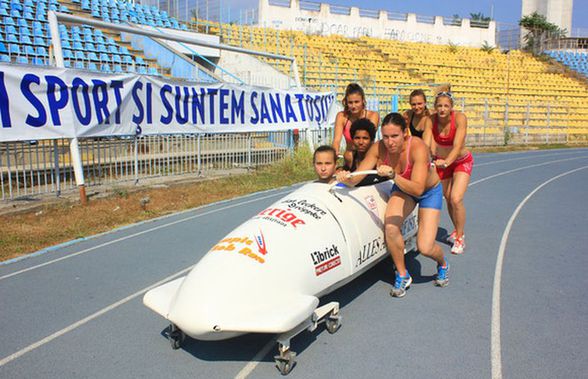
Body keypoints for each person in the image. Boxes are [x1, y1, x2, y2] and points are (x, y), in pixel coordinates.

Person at [336, 113, 449, 298]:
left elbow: (419, 189)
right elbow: (357, 177)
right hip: (404, 189)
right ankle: (403, 274)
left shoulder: (418, 147)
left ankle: (443, 263)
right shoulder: (378, 147)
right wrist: (344, 177)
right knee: (390, 227)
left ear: (405, 133)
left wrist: (393, 176)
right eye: (385, 136)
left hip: (427, 192)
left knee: (425, 247)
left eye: (394, 136)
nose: (389, 142)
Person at [427, 89, 473, 255]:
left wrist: (447, 162)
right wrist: (429, 158)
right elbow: (428, 141)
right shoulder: (431, 120)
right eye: (439, 106)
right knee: (447, 198)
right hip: (442, 163)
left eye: (446, 106)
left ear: (451, 107)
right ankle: (456, 229)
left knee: (456, 198)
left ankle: (460, 237)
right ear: (434, 107)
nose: (442, 109)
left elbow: (457, 146)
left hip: (460, 161)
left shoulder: (460, 118)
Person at [332, 83, 380, 169]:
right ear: (346, 103)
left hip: (368, 156)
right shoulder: (341, 116)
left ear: (363, 101)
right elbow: (336, 141)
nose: (353, 106)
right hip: (350, 158)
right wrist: (334, 156)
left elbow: (370, 139)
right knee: (348, 155)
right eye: (350, 102)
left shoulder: (373, 115)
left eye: (357, 102)